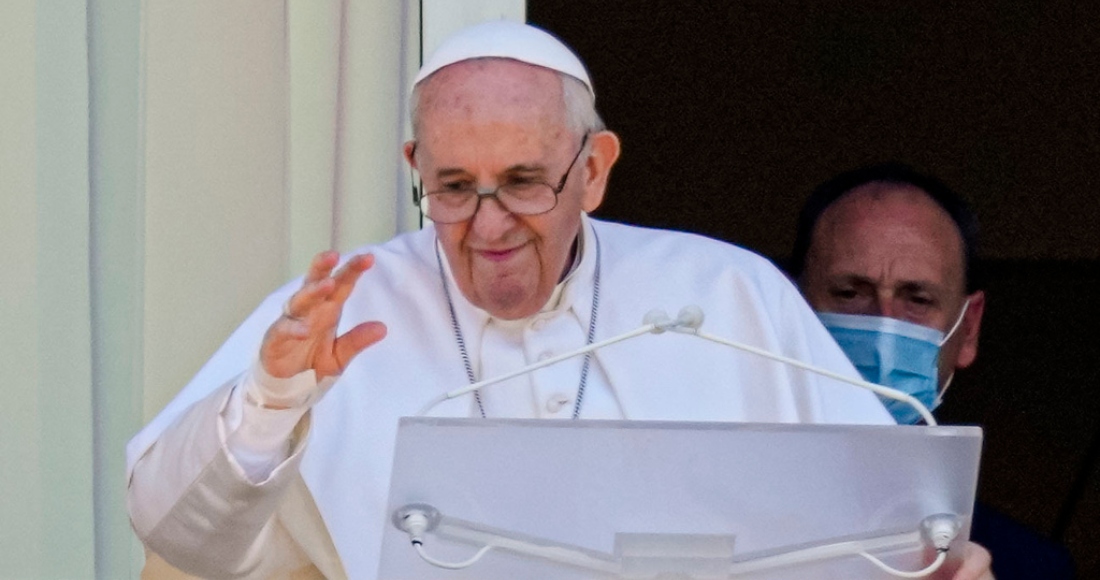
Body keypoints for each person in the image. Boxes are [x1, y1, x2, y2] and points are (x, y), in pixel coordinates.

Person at [126, 22, 985, 579]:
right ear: (414, 172)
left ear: (595, 169)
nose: (488, 225)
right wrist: (272, 400)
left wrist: (935, 564)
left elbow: (889, 533)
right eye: (454, 187)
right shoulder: (344, 310)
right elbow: (179, 544)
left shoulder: (729, 297)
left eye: (525, 182)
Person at [789, 162, 1074, 579]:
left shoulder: (1025, 566)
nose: (885, 325)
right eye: (849, 293)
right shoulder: (711, 519)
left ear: (969, 327)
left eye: (917, 299)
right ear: (787, 309)